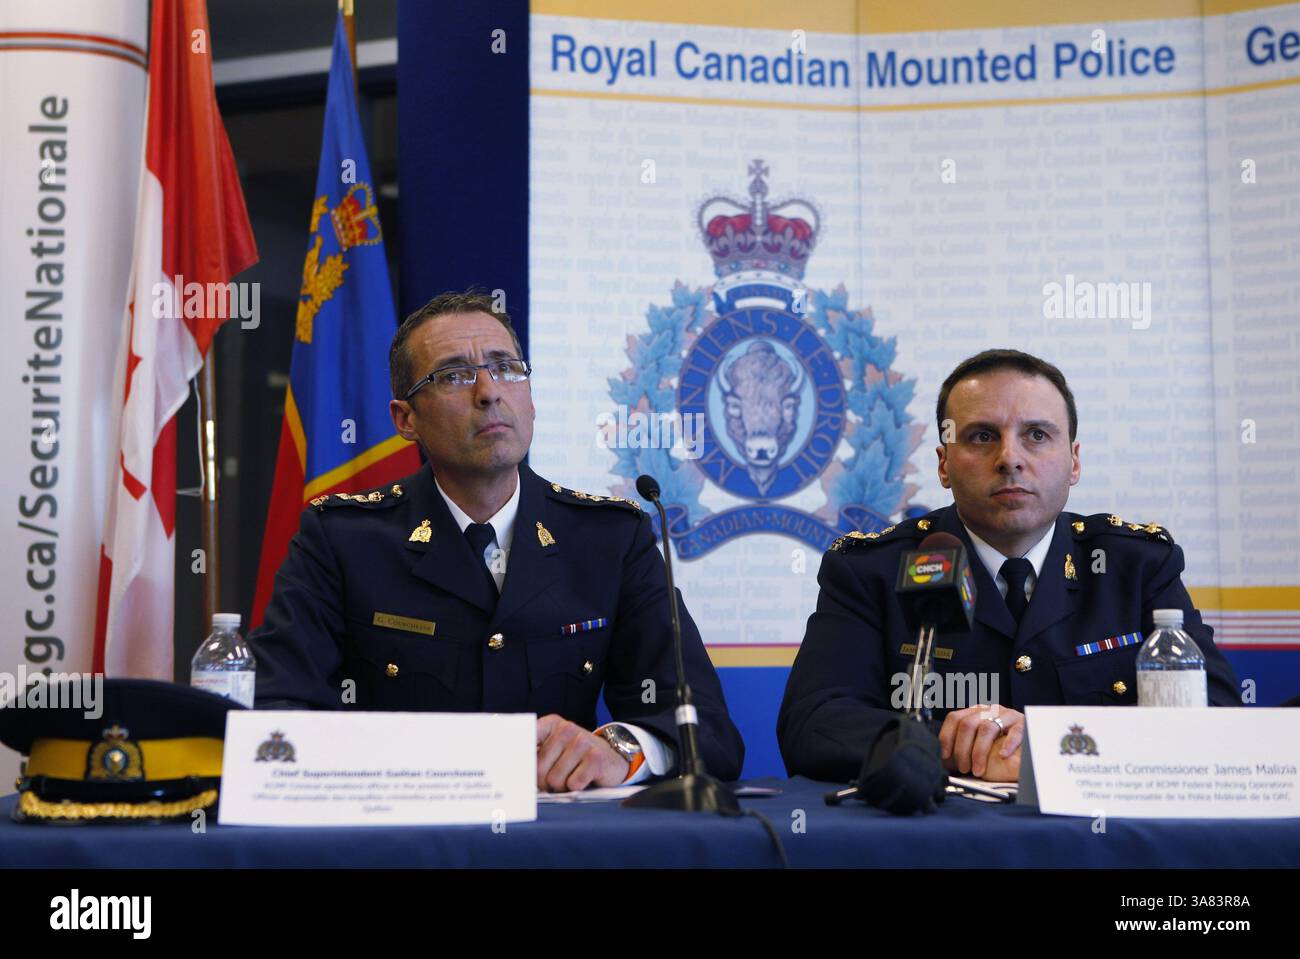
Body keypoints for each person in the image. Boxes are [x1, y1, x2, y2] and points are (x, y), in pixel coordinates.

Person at [249, 290, 744, 791]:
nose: (489, 392)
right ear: (406, 420)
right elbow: (275, 712)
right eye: (455, 375)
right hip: (403, 838)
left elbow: (707, 729)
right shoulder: (343, 540)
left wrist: (620, 750)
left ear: (530, 397)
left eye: (506, 368)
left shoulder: (610, 539)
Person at [777, 349, 1239, 784]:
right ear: (943, 463)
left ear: (1074, 461)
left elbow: (1216, 716)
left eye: (1037, 435)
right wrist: (954, 745)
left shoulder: (1135, 566)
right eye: (982, 436)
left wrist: (1052, 747)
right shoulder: (873, 569)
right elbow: (813, 724)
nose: (1010, 459)